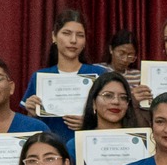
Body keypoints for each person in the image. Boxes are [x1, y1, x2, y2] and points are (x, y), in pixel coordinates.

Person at [21, 8, 107, 139]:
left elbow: (114, 117)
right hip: (51, 150)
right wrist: (31, 112)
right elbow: (30, 126)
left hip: (89, 149)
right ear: (54, 36)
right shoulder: (40, 77)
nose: (73, 40)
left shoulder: (99, 74)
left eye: (80, 35)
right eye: (67, 33)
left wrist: (89, 122)